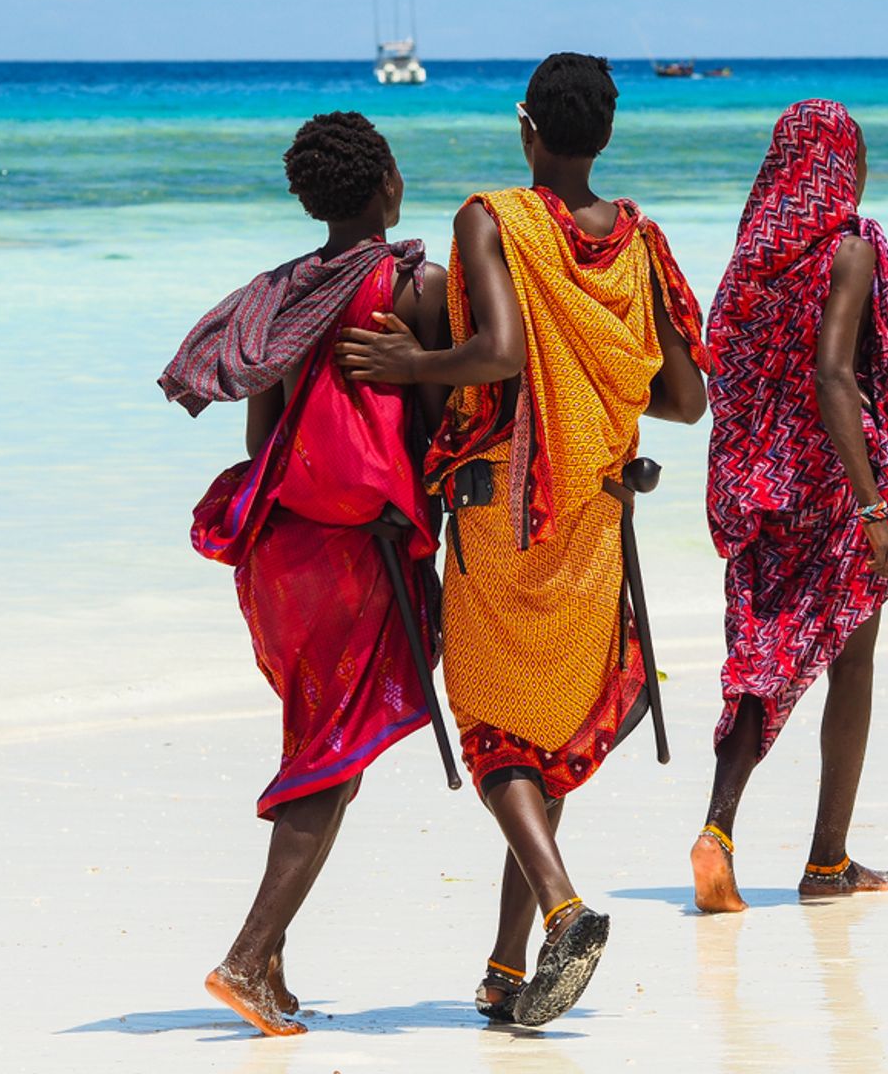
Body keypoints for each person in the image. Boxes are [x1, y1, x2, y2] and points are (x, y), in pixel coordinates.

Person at [337, 53, 710, 1026]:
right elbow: (683, 396)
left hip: (506, 505)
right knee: (542, 728)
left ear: (525, 127)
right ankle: (509, 971)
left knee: (495, 724)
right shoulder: (636, 240)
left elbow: (499, 351)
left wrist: (411, 361)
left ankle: (564, 907)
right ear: (606, 133)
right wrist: (598, 412)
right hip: (595, 511)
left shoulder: (491, 220)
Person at [158, 112, 449, 1035]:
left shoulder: (285, 292)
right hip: (358, 551)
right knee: (330, 758)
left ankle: (274, 970)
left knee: (321, 741)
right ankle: (246, 958)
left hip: (280, 553)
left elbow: (261, 435)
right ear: (389, 186)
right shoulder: (414, 285)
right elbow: (439, 428)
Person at [690, 99, 888, 914]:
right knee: (848, 664)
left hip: (760, 493)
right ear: (839, 164)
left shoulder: (747, 270)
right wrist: (872, 508)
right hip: (832, 492)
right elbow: (834, 375)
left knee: (759, 656)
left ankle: (717, 828)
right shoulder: (847, 254)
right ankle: (828, 862)